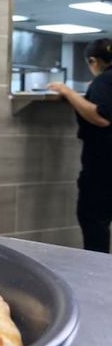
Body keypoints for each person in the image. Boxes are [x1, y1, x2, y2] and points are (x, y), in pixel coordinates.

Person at [49, 38, 112, 252]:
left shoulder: (105, 80)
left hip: (102, 171)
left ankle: (98, 279)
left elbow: (101, 117)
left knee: (94, 224)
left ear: (94, 61)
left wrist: (68, 92)